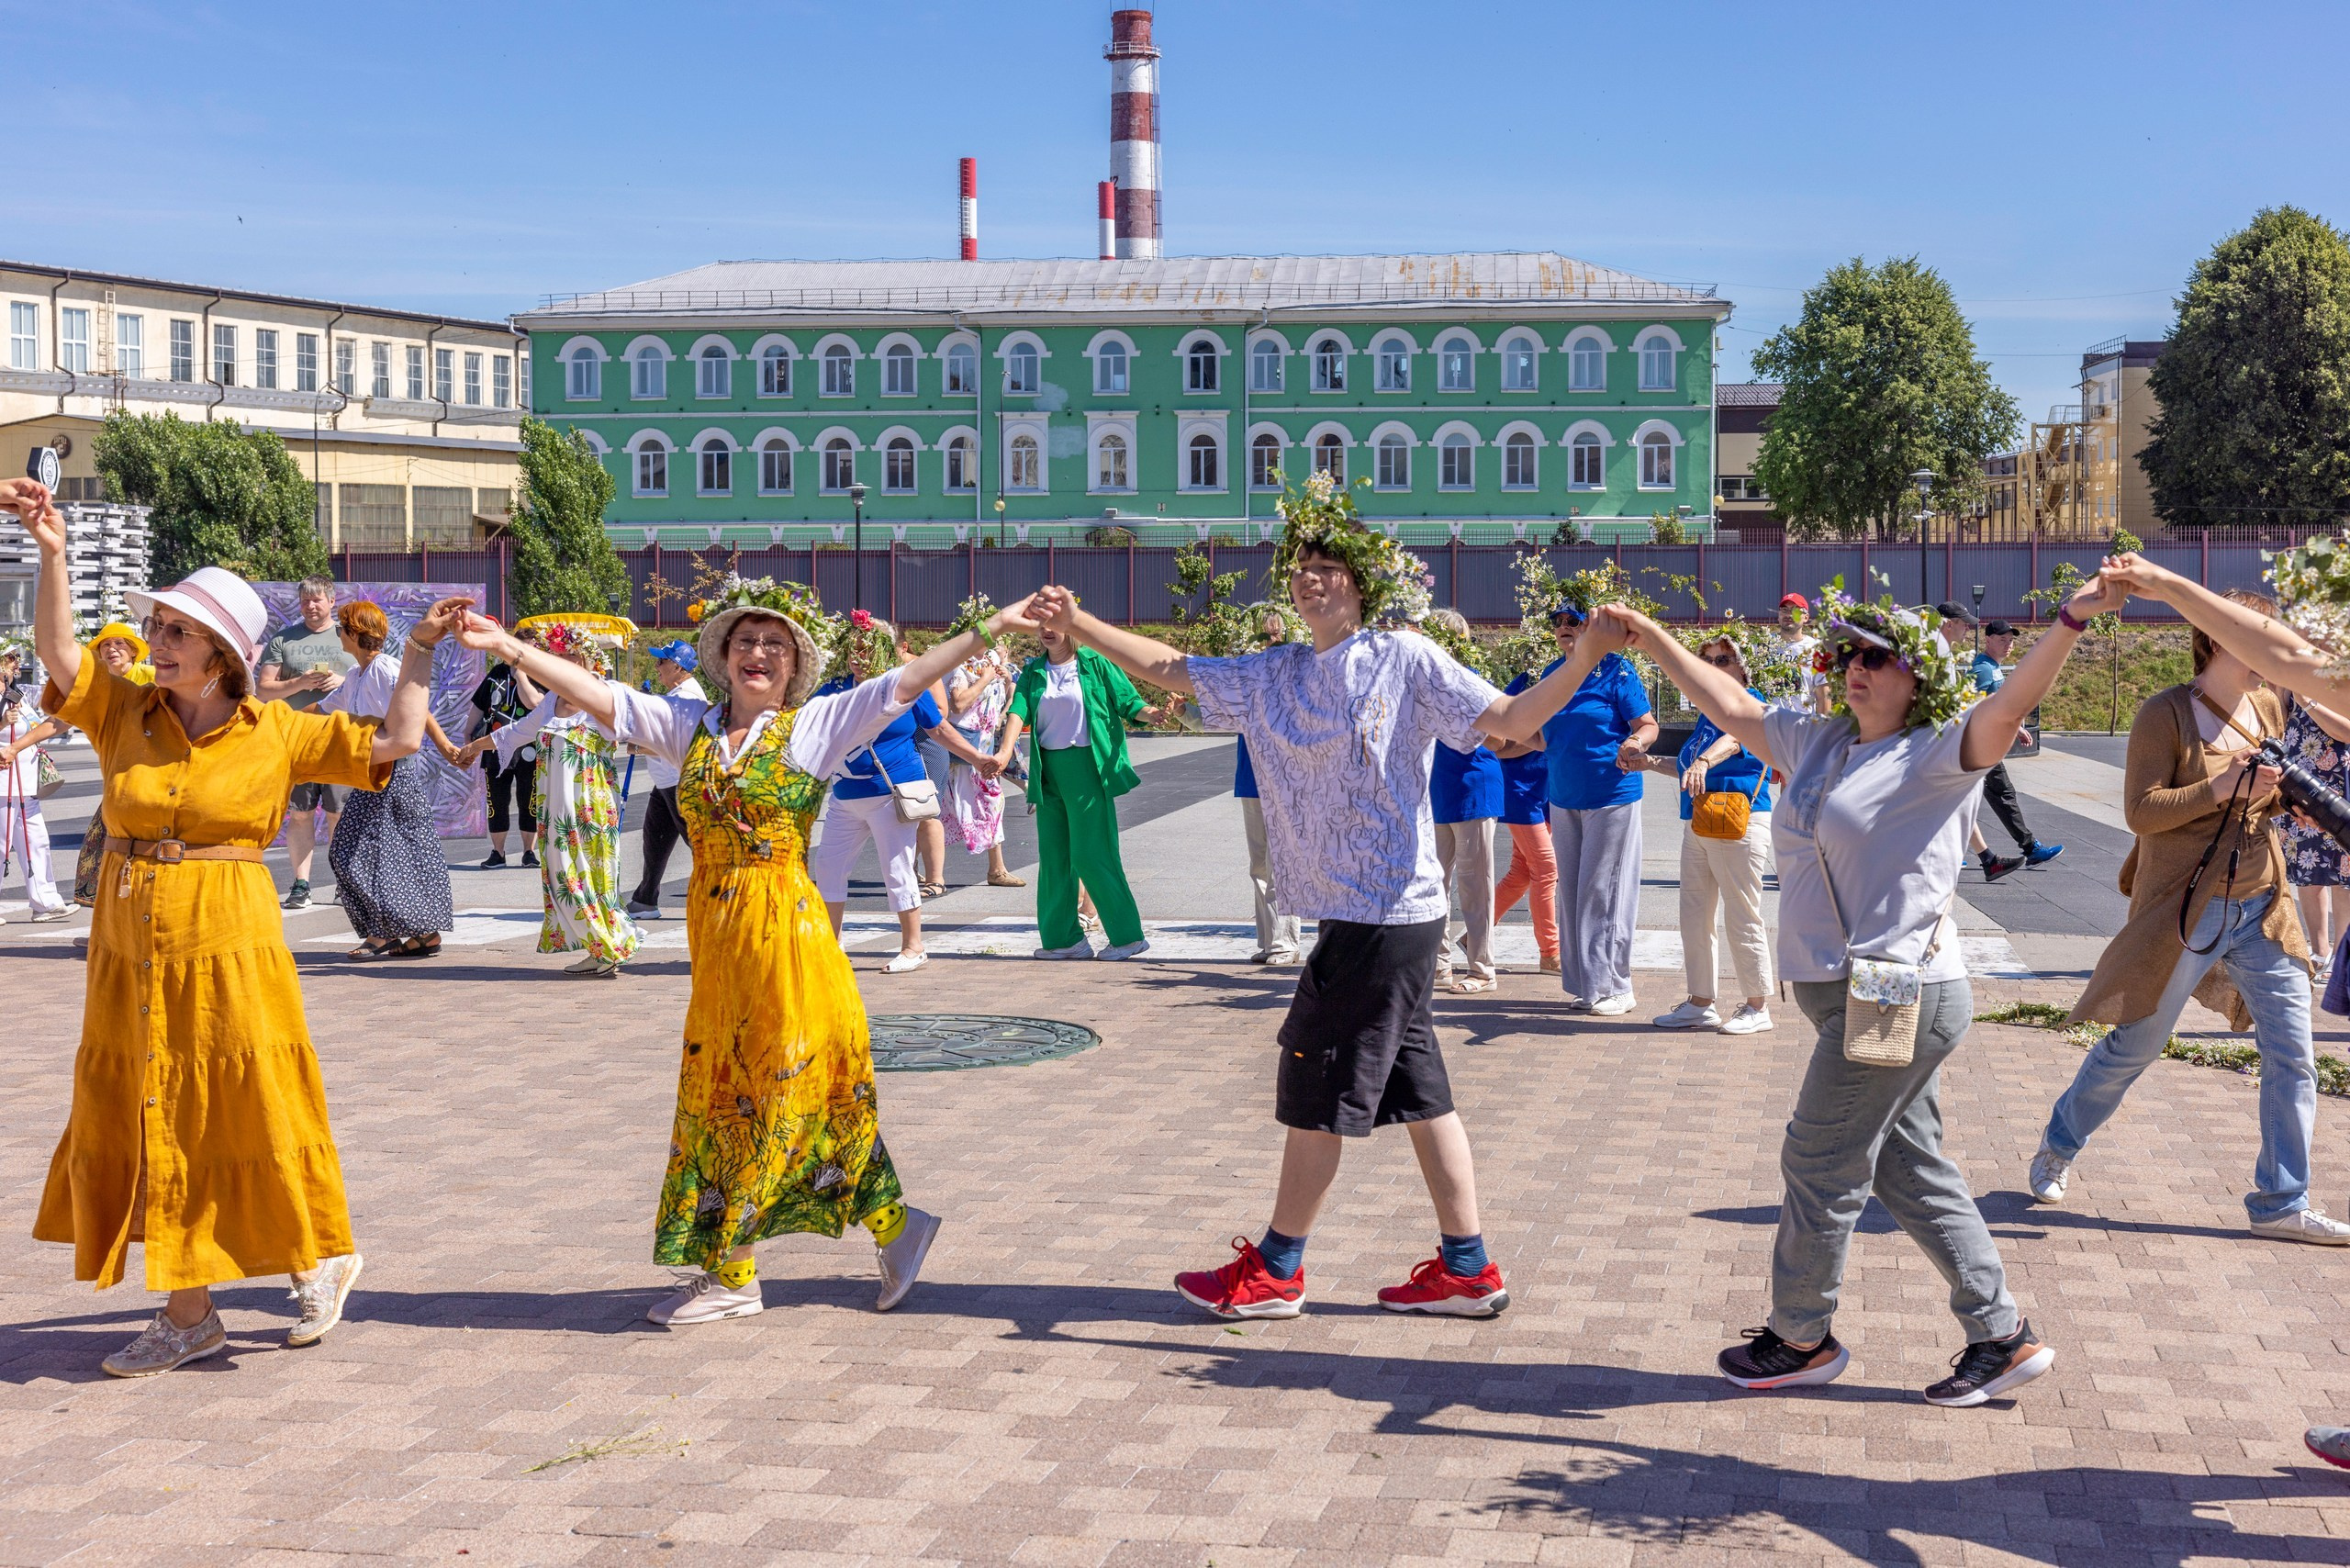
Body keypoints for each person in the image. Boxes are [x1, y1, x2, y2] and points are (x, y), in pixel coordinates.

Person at [1024, 472, 1613, 1322]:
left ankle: (1277, 1270)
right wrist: (1078, 623)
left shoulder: (1404, 657)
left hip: (1387, 913)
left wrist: (1584, 657)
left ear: (1364, 585)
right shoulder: (1277, 672)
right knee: (1419, 1093)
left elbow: (1513, 722)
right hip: (1365, 915)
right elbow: (1176, 670)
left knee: (1316, 1085)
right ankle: (1468, 1268)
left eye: (1332, 565)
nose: (1313, 576)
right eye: (1302, 565)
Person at [1588, 571, 2122, 1406]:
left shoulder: (1943, 749)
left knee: (1817, 1156)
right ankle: (2002, 1336)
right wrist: (1653, 639)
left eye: (1879, 657)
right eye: (1849, 655)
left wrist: (2068, 621)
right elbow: (1730, 705)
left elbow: (2011, 704)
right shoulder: (1824, 740)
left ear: (1921, 677)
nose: (1857, 669)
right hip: (1846, 994)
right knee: (1909, 1170)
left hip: (1899, 991)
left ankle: (1801, 1334)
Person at [448, 575, 1039, 1325]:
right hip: (718, 936)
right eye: (746, 641)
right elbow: (600, 696)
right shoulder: (686, 725)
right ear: (724, 656)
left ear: (794, 666)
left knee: (780, 1096)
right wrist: (504, 644)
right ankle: (884, 1231)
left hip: (787, 934)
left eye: (775, 644)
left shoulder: (813, 727)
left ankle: (738, 1272)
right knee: (720, 1096)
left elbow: (906, 681)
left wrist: (994, 627)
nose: (759, 653)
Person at [5, 473, 457, 1377]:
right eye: (159, 628)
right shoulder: (122, 709)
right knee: (147, 1107)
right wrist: (50, 550)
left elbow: (398, 743)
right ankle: (190, 1312)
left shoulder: (276, 731)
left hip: (227, 936)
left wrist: (418, 655)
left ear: (222, 655)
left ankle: (314, 1254)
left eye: (176, 633)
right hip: (131, 941)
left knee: (241, 1104)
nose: (156, 643)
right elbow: (59, 650)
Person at [2026, 587, 2348, 1243]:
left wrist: (2283, 802)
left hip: (2263, 906)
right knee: (2137, 1043)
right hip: (2185, 910)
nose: (2275, 651)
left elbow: (2257, 803)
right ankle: (2060, 1140)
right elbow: (2142, 812)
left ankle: (2281, 1201)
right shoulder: (2164, 714)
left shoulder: (2268, 704)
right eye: (2261, 635)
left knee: (2292, 1053)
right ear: (2219, 637)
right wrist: (2220, 786)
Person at [807, 613, 999, 974]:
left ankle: (914, 948)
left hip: (891, 792)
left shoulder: (904, 686)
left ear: (881, 651)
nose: (857, 657)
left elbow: (938, 728)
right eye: (852, 651)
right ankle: (830, 946)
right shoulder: (833, 688)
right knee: (828, 867)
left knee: (897, 870)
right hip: (845, 796)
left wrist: (976, 758)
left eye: (864, 650)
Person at [459, 621, 640, 979]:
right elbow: (517, 731)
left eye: (574, 658)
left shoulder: (608, 694)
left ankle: (609, 943)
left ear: (589, 662)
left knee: (593, 872)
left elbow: (645, 730)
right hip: (556, 812)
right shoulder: (552, 702)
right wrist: (472, 746)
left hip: (589, 805)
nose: (567, 665)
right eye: (561, 659)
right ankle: (597, 946)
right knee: (562, 872)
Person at [992, 613, 1169, 962]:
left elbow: (1130, 703)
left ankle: (1127, 937)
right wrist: (1002, 753)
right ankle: (1063, 940)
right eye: (1040, 626)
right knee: (1055, 858)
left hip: (1087, 768)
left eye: (1053, 624)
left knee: (1093, 854)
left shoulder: (1095, 663)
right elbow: (1018, 710)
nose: (1046, 631)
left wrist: (1154, 713)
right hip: (1048, 772)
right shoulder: (1033, 670)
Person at [1637, 633, 1774, 1035]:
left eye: (1723, 660)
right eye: (1708, 661)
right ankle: (1700, 1002)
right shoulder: (1706, 713)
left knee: (1742, 914)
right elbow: (1687, 768)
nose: (1715, 668)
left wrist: (1703, 759)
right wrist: (1647, 762)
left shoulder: (1753, 702)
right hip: (1700, 821)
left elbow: (1736, 741)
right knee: (1695, 915)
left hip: (1739, 822)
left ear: (1741, 666)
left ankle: (1757, 1005)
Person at [320, 600, 461, 960]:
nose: (338, 633)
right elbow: (322, 710)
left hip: (393, 771)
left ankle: (381, 933)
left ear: (353, 634)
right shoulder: (356, 676)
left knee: (359, 852)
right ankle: (423, 934)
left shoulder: (384, 668)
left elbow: (418, 707)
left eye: (341, 628)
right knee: (387, 853)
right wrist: (275, 719)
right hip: (371, 772)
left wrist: (445, 745)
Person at [1539, 600, 1658, 1014]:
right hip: (1563, 796)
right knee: (1571, 892)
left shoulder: (1617, 670)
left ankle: (1617, 987)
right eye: (1559, 622)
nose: (1565, 627)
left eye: (1575, 621)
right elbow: (1543, 735)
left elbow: (1647, 724)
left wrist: (1633, 743)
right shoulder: (1553, 673)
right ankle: (1587, 984)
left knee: (1602, 893)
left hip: (1612, 794)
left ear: (1592, 628)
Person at [255, 576, 357, 909]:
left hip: (339, 738)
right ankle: (301, 884)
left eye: (317, 600)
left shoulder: (349, 635)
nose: (311, 606)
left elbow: (372, 678)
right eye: (305, 601)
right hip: (296, 738)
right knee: (299, 815)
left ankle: (345, 881)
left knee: (338, 813)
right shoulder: (284, 639)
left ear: (331, 601)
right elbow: (263, 690)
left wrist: (342, 680)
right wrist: (299, 682)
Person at [1941, 607, 2063, 880]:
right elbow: (1982, 704)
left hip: (1980, 743)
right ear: (1989, 640)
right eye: (2002, 639)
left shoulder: (1993, 668)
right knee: (1998, 795)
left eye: (2011, 640)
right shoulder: (1983, 670)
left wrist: (2015, 726)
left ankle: (1967, 854)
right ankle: (2027, 848)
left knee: (1959, 799)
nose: (2008, 644)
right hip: (1979, 744)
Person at [1424, 610, 1501, 993]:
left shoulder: (1472, 683)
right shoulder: (1421, 687)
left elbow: (1500, 740)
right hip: (1434, 795)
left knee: (1475, 887)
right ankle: (1438, 966)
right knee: (1432, 885)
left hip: (1474, 791)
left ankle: (1482, 970)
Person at [1235, 603, 1302, 966]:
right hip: (1251, 780)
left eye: (1277, 630)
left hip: (1286, 782)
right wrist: (1185, 711)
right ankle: (1268, 940)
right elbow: (1221, 712)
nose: (1270, 637)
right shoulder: (1247, 677)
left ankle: (1286, 943)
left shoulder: (1298, 677)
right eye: (1265, 631)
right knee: (1259, 866)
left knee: (1282, 864)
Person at [68, 623, 152, 909]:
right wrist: (18, 746)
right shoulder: (98, 686)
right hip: (121, 782)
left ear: (133, 651)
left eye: (119, 643)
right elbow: (60, 720)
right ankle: (108, 930)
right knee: (97, 848)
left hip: (156, 781)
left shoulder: (153, 677)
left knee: (139, 858)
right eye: (105, 645)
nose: (111, 649)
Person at [628, 640, 706, 918]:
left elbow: (671, 741)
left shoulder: (686, 698)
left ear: (677, 666)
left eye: (662, 661)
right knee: (655, 839)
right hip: (666, 780)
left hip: (680, 781)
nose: (657, 666)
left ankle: (724, 895)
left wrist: (637, 744)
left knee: (699, 844)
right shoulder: (676, 694)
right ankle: (646, 899)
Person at [1489, 673, 1557, 975]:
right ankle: (1550, 954)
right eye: (1561, 622)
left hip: (1547, 794)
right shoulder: (1521, 686)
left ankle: (1475, 935)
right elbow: (1497, 744)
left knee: (1521, 873)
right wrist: (1544, 741)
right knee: (1545, 870)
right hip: (1521, 795)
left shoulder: (1571, 675)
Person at [0, 640, 73, 923]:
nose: (17, 662)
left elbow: (55, 700)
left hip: (26, 784)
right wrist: (3, 723)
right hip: (3, 783)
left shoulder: (20, 694)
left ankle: (45, 902)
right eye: (10, 658)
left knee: (37, 841)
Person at [943, 644, 1024, 889]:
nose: (994, 642)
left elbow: (1007, 693)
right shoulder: (959, 665)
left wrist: (1005, 680)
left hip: (983, 748)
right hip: (962, 750)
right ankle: (914, 866)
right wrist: (986, 679)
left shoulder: (991, 659)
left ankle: (996, 869)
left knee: (991, 802)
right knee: (943, 810)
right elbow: (957, 704)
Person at [2277, 691, 2350, 965]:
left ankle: (2342, 958)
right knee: (2308, 869)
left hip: (2341, 778)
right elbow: (2281, 722)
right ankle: (2320, 952)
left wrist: (2306, 698)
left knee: (2345, 871)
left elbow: (2347, 731)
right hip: (2300, 779)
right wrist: (2278, 687)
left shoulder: (2339, 675)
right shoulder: (2291, 672)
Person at [464, 646, 543, 870]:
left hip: (530, 748)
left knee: (529, 800)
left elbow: (533, 704)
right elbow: (479, 705)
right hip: (495, 747)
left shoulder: (541, 674)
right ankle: (498, 852)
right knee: (496, 801)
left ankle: (529, 852)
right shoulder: (496, 673)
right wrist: (468, 735)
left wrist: (520, 674)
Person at [1769, 592, 1830, 716]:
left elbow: (1824, 696)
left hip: (1801, 727)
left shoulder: (1817, 650)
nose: (1789, 614)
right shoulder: (1763, 646)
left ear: (1806, 617)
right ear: (1779, 616)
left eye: (1796, 610)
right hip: (1767, 725)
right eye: (1784, 610)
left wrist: (1823, 731)